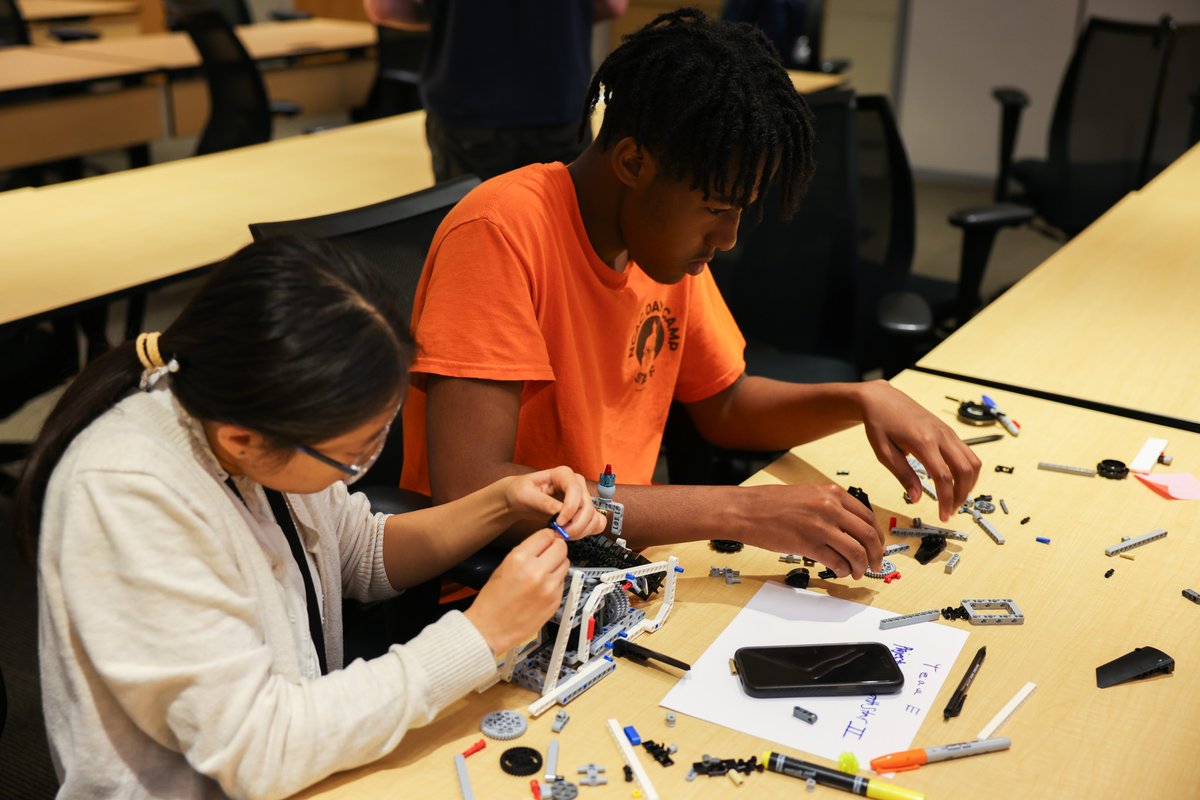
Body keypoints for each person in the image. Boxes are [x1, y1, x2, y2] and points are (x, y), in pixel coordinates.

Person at [399, 9, 981, 580]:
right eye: (715, 209)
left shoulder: (659, 247)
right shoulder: (502, 232)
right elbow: (475, 489)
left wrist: (860, 399)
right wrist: (737, 509)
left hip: (617, 563)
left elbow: (724, 405)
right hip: (506, 591)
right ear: (633, 162)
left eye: (740, 212)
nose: (727, 239)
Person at [14, 237, 604, 799]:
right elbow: (259, 751)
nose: (365, 466)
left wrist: (499, 503)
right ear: (244, 441)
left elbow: (359, 554)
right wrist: (482, 634)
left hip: (302, 762)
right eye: (356, 452)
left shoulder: (248, 422)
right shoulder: (128, 498)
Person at [362, 0, 628, 182]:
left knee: (472, 240)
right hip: (556, 100)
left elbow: (384, 8)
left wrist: (447, 17)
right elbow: (612, 5)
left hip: (465, 108)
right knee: (559, 236)